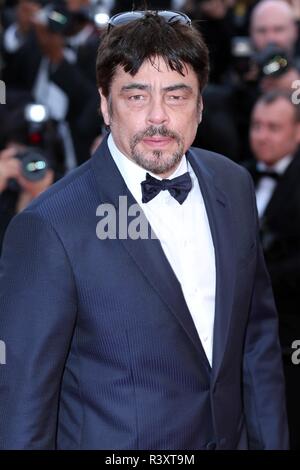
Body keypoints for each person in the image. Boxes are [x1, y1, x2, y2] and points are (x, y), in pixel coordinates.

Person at [0, 10, 288, 450]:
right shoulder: (50, 227)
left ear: (201, 103)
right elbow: (25, 408)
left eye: (177, 96)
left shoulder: (233, 185)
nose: (158, 117)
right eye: (136, 96)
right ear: (104, 103)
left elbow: (256, 343)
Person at [246, 90, 300, 449]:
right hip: (247, 342)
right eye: (257, 126)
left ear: (297, 132)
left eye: (274, 127)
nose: (262, 135)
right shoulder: (236, 176)